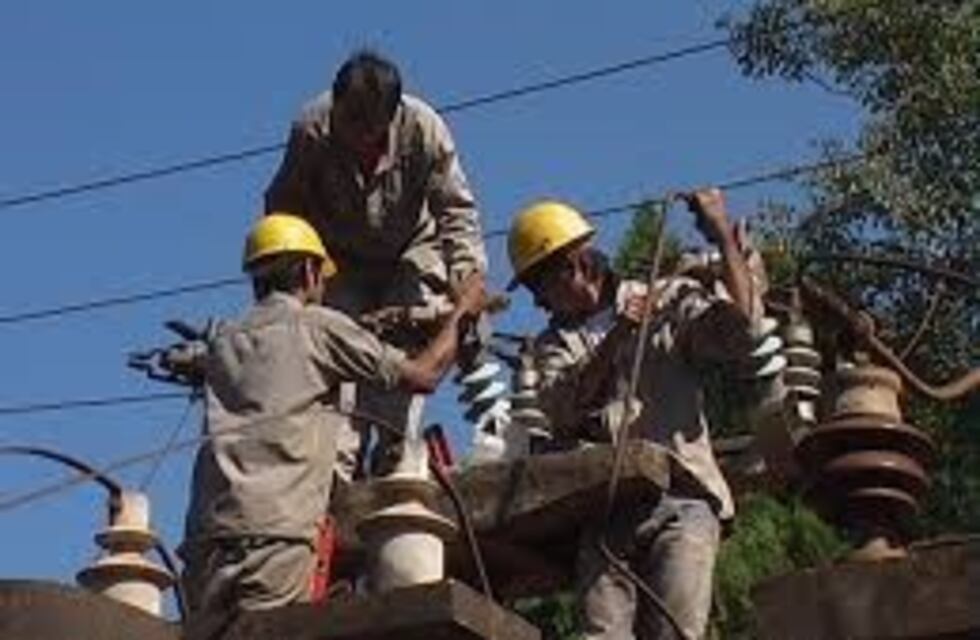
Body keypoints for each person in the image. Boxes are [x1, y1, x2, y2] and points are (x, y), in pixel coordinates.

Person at [178, 213, 487, 622]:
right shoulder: (318, 327)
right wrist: (461, 313)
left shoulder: (223, 342)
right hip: (275, 539)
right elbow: (424, 375)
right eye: (323, 277)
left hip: (206, 543)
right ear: (309, 271)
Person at [507, 190, 757, 639]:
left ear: (572, 267)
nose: (540, 304)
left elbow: (740, 332)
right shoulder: (551, 347)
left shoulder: (668, 300)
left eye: (537, 288)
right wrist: (619, 335)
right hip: (607, 512)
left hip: (683, 498)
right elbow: (563, 409)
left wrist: (723, 237)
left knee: (674, 632)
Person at [264, 50, 487, 475]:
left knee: (403, 351)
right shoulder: (311, 129)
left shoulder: (424, 129)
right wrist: (291, 288)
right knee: (339, 363)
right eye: (350, 122)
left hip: (411, 252)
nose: (359, 137)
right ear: (336, 105)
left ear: (392, 115)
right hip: (339, 260)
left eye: (371, 128)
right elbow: (284, 207)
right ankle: (336, 475)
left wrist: (466, 279)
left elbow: (456, 212)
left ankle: (394, 461)